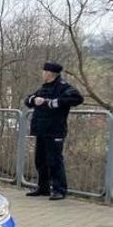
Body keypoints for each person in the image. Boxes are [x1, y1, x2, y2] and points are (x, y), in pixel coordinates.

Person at [25, 62, 84, 200]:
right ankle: (43, 187)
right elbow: (27, 100)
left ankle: (59, 189)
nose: (42, 74)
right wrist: (35, 100)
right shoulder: (43, 88)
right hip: (41, 129)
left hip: (55, 130)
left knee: (54, 161)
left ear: (49, 73)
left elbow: (77, 98)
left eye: (44, 71)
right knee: (40, 160)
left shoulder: (63, 87)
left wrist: (53, 103)